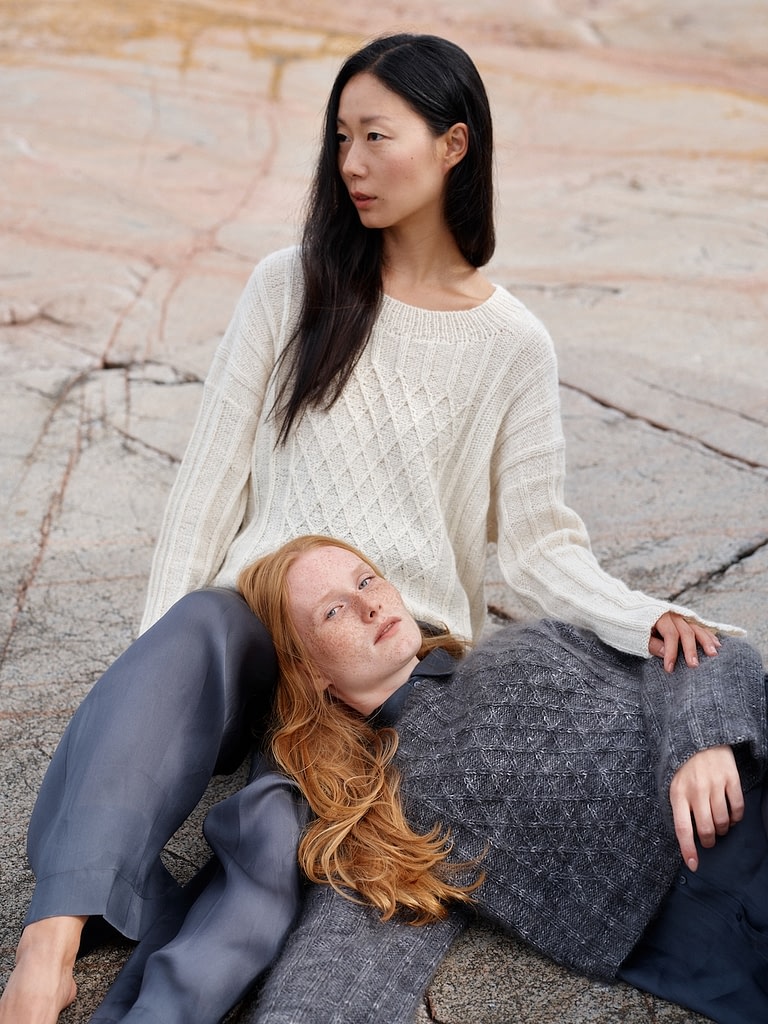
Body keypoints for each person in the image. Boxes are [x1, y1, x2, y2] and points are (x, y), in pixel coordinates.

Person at [0, 32, 743, 1024]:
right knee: (204, 627)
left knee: (274, 871)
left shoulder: (512, 345)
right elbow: (207, 491)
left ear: (453, 145)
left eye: (376, 136)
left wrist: (647, 618)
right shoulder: (290, 285)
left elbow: (537, 547)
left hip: (388, 676)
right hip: (257, 628)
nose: (350, 162)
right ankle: (48, 949)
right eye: (340, 137)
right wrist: (155, 690)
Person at [237, 534, 768, 1024]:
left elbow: (702, 653)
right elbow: (334, 976)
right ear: (309, 671)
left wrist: (704, 740)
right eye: (333, 610)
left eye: (366, 580)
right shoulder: (375, 808)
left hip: (750, 794)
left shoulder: (527, 642)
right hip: (704, 945)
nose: (368, 605)